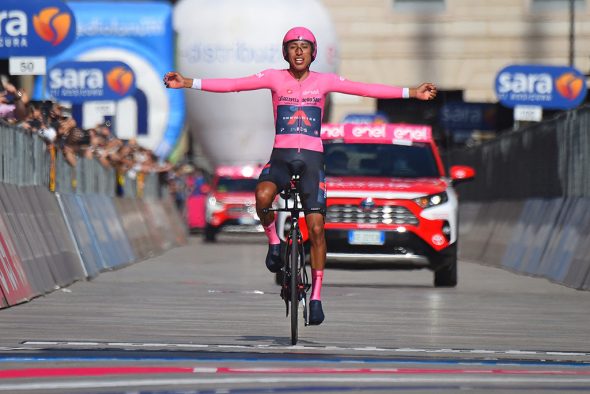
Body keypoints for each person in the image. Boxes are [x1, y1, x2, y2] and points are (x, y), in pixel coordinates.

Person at [164, 26, 437, 325]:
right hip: (280, 159)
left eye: (304, 47)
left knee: (317, 228)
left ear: (313, 53)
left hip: (312, 162)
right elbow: (233, 84)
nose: (298, 51)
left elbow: (366, 89)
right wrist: (188, 82)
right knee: (262, 197)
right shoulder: (273, 77)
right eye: (293, 47)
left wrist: (412, 92)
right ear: (285, 53)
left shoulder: (324, 81)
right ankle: (274, 242)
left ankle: (317, 295)